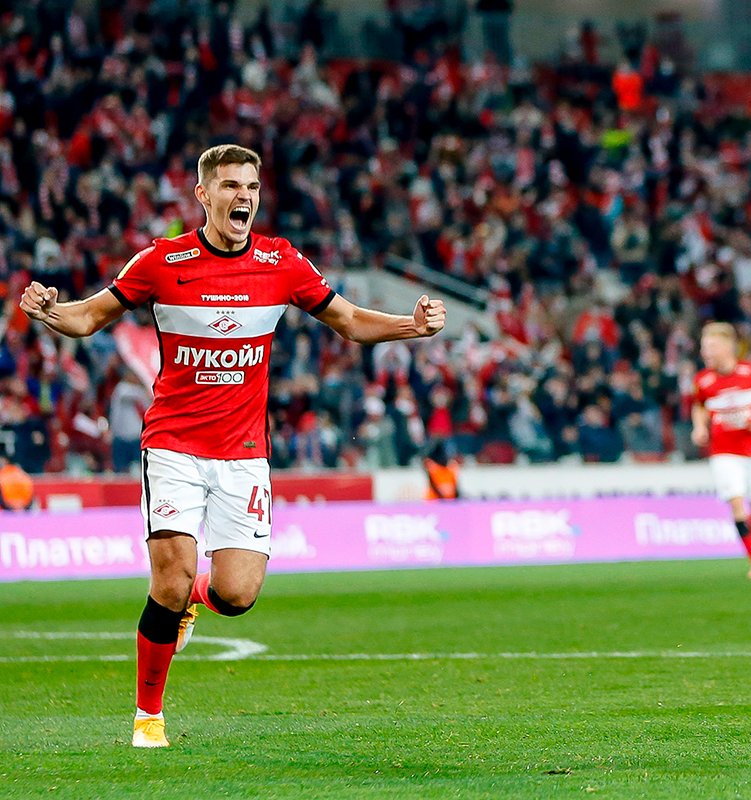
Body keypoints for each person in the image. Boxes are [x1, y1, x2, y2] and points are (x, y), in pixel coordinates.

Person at [19, 144, 447, 748]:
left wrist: (412, 325)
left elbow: (349, 321)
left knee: (237, 594)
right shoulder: (162, 262)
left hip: (243, 453)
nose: (243, 196)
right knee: (169, 579)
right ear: (203, 195)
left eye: (251, 186)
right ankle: (148, 716)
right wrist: (49, 311)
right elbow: (87, 318)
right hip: (173, 444)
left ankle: (196, 599)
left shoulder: (281, 262)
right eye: (230, 186)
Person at [691, 322, 751, 579]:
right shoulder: (703, 380)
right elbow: (699, 406)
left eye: (711, 346)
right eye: (704, 347)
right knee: (737, 504)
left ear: (728, 347)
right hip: (724, 453)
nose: (706, 352)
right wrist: (699, 427)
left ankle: (750, 538)